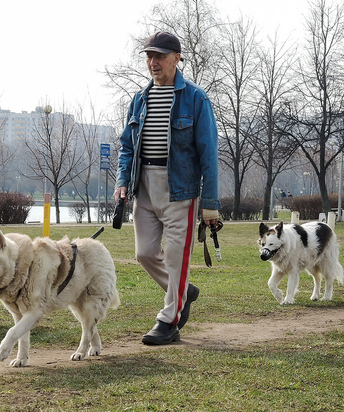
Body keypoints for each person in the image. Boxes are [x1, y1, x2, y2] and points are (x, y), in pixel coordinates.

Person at [114, 31, 221, 346]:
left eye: (159, 56)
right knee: (145, 253)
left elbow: (209, 154)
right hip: (143, 187)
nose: (153, 62)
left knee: (176, 258)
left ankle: (168, 320)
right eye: (149, 56)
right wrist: (122, 181)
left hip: (180, 190)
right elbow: (126, 147)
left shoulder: (195, 98)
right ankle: (184, 291)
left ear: (177, 58)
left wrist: (210, 203)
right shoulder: (140, 99)